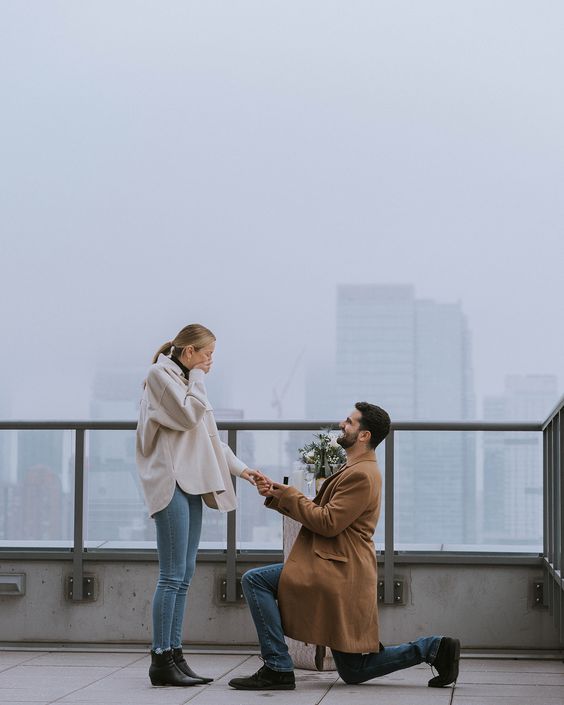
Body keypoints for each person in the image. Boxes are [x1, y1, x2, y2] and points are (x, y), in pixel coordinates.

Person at [229, 402, 460, 691]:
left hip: (337, 568)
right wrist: (279, 494)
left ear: (364, 435)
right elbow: (322, 512)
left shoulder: (361, 474)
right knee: (353, 670)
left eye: (350, 422)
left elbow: (327, 522)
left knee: (255, 580)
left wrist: (290, 496)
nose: (342, 424)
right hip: (339, 565)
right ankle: (433, 648)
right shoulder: (355, 469)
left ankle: (277, 666)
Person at [136, 323, 260, 687]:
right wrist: (198, 379)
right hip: (171, 481)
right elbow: (189, 415)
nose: (210, 362)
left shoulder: (186, 381)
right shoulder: (160, 375)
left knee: (185, 574)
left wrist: (244, 470)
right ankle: (160, 659)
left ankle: (175, 654)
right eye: (206, 354)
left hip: (192, 481)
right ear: (187, 351)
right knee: (172, 574)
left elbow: (209, 440)